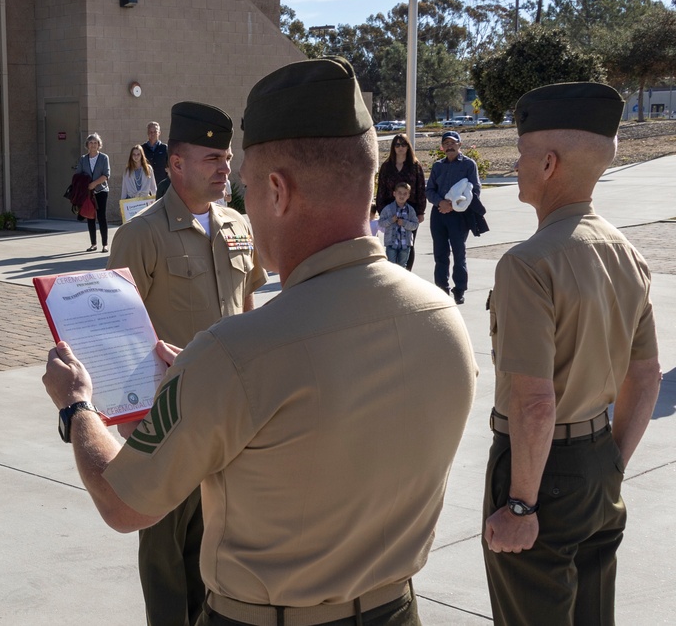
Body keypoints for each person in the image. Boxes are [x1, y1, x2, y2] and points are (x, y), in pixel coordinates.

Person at [45, 57, 476, 626]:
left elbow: (123, 504)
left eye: (244, 181)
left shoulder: (233, 357)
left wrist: (77, 407)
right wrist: (209, 378)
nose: (237, 194)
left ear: (276, 190)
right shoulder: (442, 318)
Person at [482, 82, 661, 625]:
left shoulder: (529, 264)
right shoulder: (626, 253)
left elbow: (534, 403)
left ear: (549, 163)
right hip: (597, 461)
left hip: (539, 471)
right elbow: (647, 376)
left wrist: (520, 506)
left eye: (521, 155)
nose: (515, 166)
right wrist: (610, 467)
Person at [107, 101, 267, 626]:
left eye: (227, 157)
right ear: (175, 163)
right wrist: (133, 428)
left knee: (219, 550)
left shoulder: (238, 226)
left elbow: (247, 311)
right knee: (166, 559)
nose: (226, 168)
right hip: (168, 420)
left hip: (230, 419)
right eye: (212, 158)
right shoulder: (141, 236)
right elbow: (118, 339)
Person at [425, 130, 479, 304]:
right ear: (442, 147)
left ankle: (460, 290)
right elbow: (429, 190)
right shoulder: (438, 166)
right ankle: (441, 288)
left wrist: (455, 205)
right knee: (440, 254)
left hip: (459, 216)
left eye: (453, 143)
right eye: (446, 144)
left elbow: (475, 190)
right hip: (439, 214)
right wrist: (441, 203)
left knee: (459, 253)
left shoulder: (469, 165)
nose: (449, 146)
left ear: (459, 145)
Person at [375, 133, 426, 270]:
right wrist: (382, 210)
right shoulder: (387, 166)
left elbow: (421, 188)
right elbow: (381, 189)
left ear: (408, 147)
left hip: (410, 210)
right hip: (391, 210)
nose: (400, 147)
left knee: (408, 244)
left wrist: (420, 212)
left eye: (403, 144)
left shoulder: (415, 166)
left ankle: (406, 272)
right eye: (397, 145)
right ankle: (393, 272)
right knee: (392, 244)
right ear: (393, 147)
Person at [78, 133, 110, 252]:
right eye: (91, 142)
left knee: (102, 217)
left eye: (95, 143)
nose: (93, 145)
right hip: (88, 193)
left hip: (101, 191)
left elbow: (106, 175)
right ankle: (93, 244)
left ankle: (105, 244)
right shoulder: (83, 159)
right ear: (87, 145)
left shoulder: (104, 158)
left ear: (99, 145)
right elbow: (78, 174)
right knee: (90, 217)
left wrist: (94, 183)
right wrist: (86, 185)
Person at [378, 181, 419, 267]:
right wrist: (390, 220)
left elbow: (415, 225)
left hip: (405, 244)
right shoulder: (388, 209)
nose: (402, 196)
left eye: (405, 194)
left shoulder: (410, 210)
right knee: (391, 265)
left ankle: (401, 280)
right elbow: (381, 223)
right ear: (394, 194)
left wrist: (404, 223)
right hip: (391, 243)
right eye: (399, 193)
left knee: (402, 266)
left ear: (408, 196)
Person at [142, 121, 169, 194]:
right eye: (150, 132)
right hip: (146, 186)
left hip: (162, 185)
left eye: (155, 131)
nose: (153, 134)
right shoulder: (142, 149)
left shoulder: (165, 148)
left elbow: (169, 167)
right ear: (148, 133)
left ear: (159, 133)